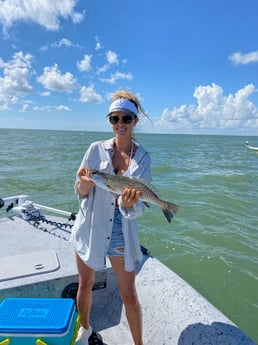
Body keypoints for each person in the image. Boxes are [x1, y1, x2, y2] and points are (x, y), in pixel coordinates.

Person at [71, 90, 152, 345]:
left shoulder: (143, 158)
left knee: (129, 294)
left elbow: (140, 209)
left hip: (120, 231)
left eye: (126, 119)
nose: (120, 124)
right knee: (85, 283)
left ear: (135, 121)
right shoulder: (95, 149)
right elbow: (81, 193)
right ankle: (84, 329)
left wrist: (128, 205)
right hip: (91, 226)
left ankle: (138, 343)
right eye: (114, 118)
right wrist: (86, 182)